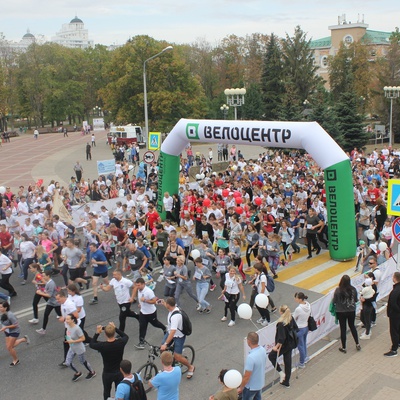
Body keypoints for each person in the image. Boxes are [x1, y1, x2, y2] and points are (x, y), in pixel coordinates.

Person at [90, 322, 129, 400]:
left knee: (106, 392)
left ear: (105, 334)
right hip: (119, 371)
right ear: (114, 333)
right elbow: (126, 336)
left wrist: (97, 333)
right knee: (119, 391)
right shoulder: (120, 343)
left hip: (107, 373)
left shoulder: (102, 346)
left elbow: (92, 344)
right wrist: (115, 328)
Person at [160, 296, 195, 377]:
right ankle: (169, 365)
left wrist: (165, 343)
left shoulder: (175, 317)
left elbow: (173, 332)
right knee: (162, 350)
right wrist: (163, 303)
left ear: (169, 305)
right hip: (170, 332)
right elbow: (167, 306)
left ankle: (190, 367)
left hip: (178, 336)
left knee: (177, 356)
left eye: (166, 304)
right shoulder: (173, 308)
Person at [268, 305, 298, 388]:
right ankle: (286, 381)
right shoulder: (290, 317)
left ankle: (281, 373)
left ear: (281, 312)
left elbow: (281, 338)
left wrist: (276, 347)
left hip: (284, 345)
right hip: (291, 343)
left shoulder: (281, 323)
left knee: (271, 356)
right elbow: (296, 328)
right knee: (288, 361)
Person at [133, 277, 166, 349]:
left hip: (151, 312)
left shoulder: (149, 291)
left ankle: (164, 328)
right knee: (142, 327)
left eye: (138, 285)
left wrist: (145, 300)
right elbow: (140, 299)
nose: (137, 287)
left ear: (143, 284)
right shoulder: (139, 290)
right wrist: (141, 304)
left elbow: (154, 301)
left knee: (155, 324)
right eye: (136, 285)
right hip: (143, 312)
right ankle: (142, 342)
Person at [333, 274, 360, 353]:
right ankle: (357, 343)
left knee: (343, 329)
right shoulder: (353, 289)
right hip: (351, 310)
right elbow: (355, 300)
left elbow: (334, 301)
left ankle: (344, 347)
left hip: (341, 311)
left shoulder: (338, 290)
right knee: (352, 326)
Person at [64, 313, 96, 382]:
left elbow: (83, 338)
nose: (66, 320)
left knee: (82, 361)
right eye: (66, 319)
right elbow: (68, 334)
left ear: (72, 320)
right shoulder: (68, 326)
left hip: (79, 348)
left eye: (68, 319)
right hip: (72, 347)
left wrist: (74, 341)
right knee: (68, 363)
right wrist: (68, 340)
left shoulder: (77, 328)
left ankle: (92, 372)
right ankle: (78, 373)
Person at [0, 301, 30, 367]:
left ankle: (16, 360)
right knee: (10, 346)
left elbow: (16, 325)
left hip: (14, 331)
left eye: (1, 307)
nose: (0, 308)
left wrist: (6, 327)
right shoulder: (3, 313)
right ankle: (24, 339)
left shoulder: (10, 315)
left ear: (6, 308)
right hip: (7, 331)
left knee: (9, 347)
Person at [238, 332, 267, 400]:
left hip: (250, 387)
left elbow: (246, 376)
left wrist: (241, 387)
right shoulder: (263, 350)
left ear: (249, 341)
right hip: (259, 384)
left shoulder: (251, 357)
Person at [384, 271, 400, 357]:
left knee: (394, 331)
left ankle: (394, 349)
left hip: (395, 315)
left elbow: (393, 303)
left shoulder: (395, 291)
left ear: (395, 278)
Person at [293, 292, 311, 368]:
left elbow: (293, 318)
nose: (295, 299)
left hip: (299, 328)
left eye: (296, 298)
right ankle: (305, 358)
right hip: (306, 327)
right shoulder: (308, 305)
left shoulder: (298, 309)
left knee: (300, 346)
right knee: (304, 344)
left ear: (300, 299)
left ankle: (301, 363)